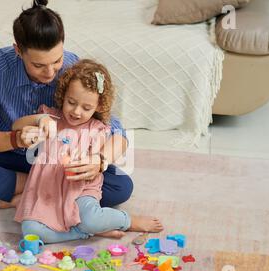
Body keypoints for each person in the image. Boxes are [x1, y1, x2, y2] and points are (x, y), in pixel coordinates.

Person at [0, 0, 133, 215]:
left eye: (57, 60)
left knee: (120, 186)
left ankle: (16, 197)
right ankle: (42, 188)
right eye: (38, 65)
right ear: (18, 50)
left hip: (57, 161)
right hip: (7, 157)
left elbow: (115, 128)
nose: (50, 73)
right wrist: (15, 139)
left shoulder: (73, 68)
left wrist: (99, 161)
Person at [13, 59, 163, 243]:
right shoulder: (50, 117)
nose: (76, 112)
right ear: (63, 95)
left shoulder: (99, 129)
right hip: (47, 189)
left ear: (98, 106)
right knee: (31, 232)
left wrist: (91, 159)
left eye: (86, 108)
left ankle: (127, 220)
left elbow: (103, 154)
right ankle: (82, 233)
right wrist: (38, 120)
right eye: (71, 102)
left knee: (91, 219)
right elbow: (16, 126)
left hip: (80, 188)